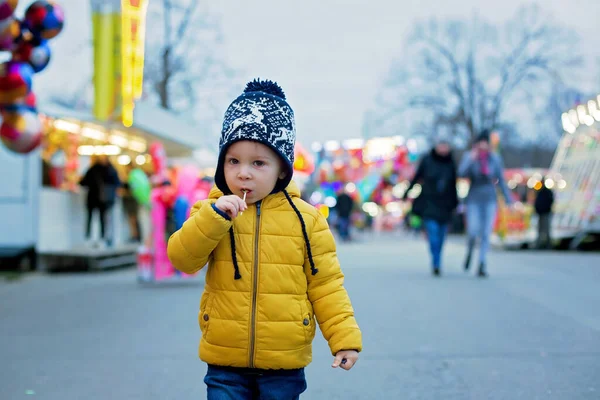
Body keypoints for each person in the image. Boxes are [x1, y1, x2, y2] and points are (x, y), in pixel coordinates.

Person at [167, 79, 362, 399]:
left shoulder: (306, 219)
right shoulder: (210, 211)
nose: (244, 172)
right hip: (224, 359)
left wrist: (344, 339)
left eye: (258, 163)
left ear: (281, 170)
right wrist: (213, 219)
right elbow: (182, 259)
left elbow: (326, 284)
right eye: (234, 161)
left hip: (283, 361)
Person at [458, 130, 512, 277]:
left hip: (489, 199)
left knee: (486, 233)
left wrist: (509, 200)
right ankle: (469, 250)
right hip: (473, 199)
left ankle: (482, 263)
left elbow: (500, 179)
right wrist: (472, 159)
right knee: (473, 231)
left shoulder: (494, 158)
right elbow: (461, 173)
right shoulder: (470, 157)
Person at [403, 134, 458, 276]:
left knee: (441, 236)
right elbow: (416, 177)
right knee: (433, 234)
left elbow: (454, 185)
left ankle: (438, 258)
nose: (443, 149)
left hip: (445, 204)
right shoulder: (427, 161)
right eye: (441, 146)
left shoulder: (450, 162)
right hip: (429, 202)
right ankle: (436, 262)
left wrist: (456, 203)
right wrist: (407, 192)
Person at [80, 154, 121, 247]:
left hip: (93, 198)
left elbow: (83, 182)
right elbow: (118, 184)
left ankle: (89, 238)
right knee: (102, 219)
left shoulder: (92, 169)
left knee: (91, 218)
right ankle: (101, 238)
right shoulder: (111, 170)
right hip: (103, 199)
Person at [534, 177, 554, 249]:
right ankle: (539, 245)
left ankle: (548, 245)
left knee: (546, 229)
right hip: (541, 213)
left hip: (545, 213)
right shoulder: (540, 191)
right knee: (540, 230)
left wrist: (545, 209)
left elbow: (550, 201)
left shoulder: (546, 192)